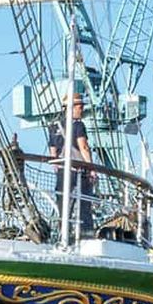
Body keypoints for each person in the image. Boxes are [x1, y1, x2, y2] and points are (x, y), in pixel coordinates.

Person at [48, 93, 96, 233]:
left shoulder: (54, 126)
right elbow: (84, 147)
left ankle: (64, 231)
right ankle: (85, 231)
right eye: (80, 107)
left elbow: (53, 151)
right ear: (70, 108)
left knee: (63, 202)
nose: (82, 110)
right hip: (79, 170)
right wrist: (92, 169)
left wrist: (57, 166)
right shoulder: (78, 125)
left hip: (63, 171)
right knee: (84, 201)